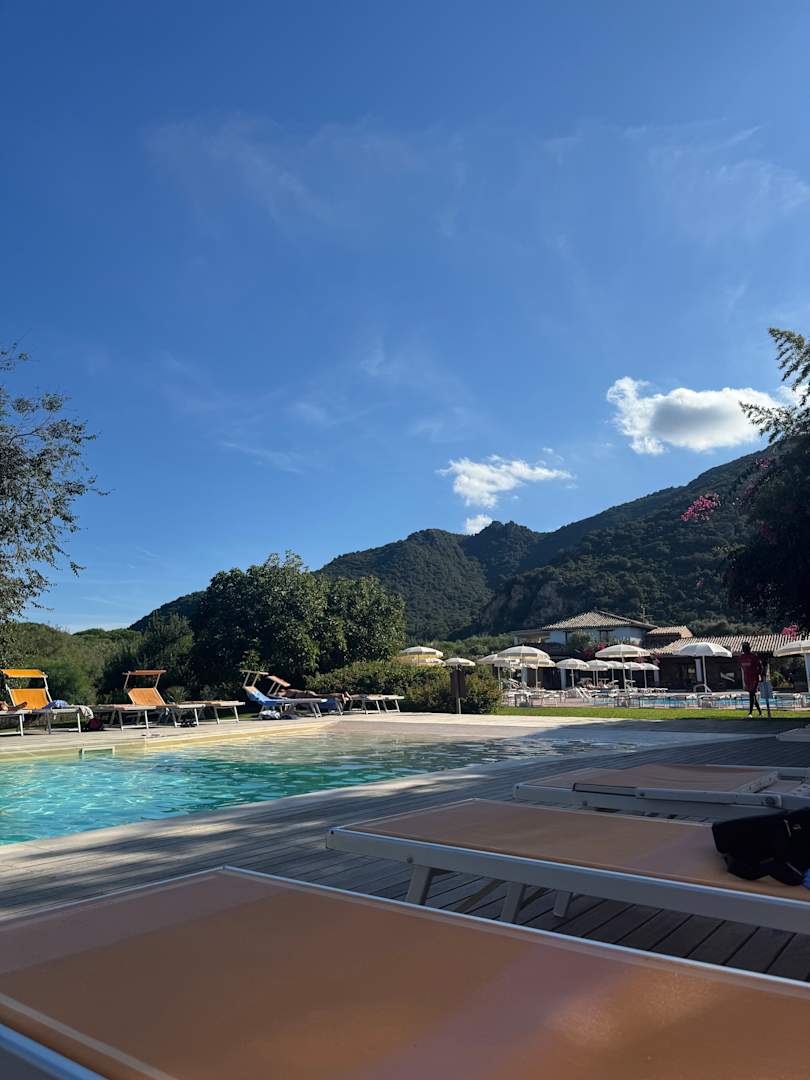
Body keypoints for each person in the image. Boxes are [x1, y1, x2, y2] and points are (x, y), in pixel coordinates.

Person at [738, 642, 763, 718]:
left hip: (754, 678)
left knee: (751, 695)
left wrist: (758, 674)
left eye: (745, 647)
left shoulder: (754, 656)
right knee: (752, 695)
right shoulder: (741, 657)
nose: (744, 649)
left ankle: (750, 713)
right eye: (743, 648)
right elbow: (741, 666)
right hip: (747, 679)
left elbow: (760, 666)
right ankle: (760, 712)